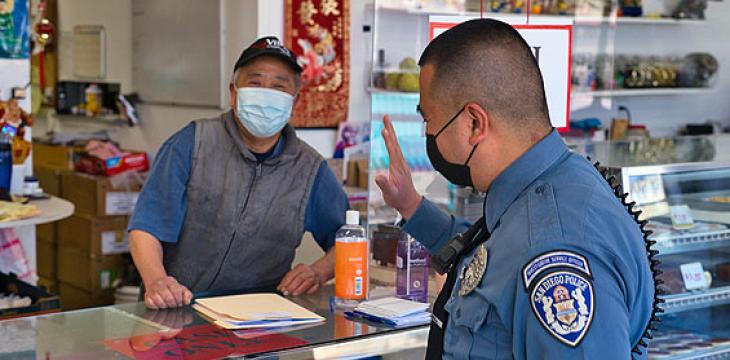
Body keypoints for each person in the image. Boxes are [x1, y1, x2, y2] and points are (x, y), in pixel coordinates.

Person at [375, 19, 656, 358]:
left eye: (429, 120)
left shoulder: (555, 245)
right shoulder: (548, 184)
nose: (428, 135)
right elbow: (493, 258)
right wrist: (412, 208)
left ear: (474, 122)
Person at [128, 37, 349, 309]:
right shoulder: (192, 143)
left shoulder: (310, 169)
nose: (266, 93)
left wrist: (319, 271)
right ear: (234, 93)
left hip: (259, 317)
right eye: (255, 83)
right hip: (177, 308)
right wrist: (157, 281)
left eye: (279, 86)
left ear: (295, 100)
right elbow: (146, 226)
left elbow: (349, 238)